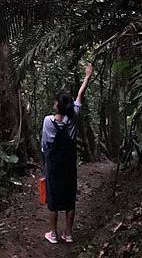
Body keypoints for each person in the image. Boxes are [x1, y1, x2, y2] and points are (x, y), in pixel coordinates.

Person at [41, 63, 93, 244]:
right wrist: (87, 76)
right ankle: (68, 233)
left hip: (54, 166)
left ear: (57, 105)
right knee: (70, 198)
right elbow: (80, 95)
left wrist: (47, 159)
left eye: (56, 101)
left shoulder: (48, 121)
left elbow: (45, 145)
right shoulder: (74, 117)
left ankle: (53, 234)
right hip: (70, 165)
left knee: (53, 199)